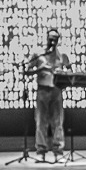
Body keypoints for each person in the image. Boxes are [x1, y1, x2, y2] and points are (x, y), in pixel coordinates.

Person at [24, 29, 74, 159]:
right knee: (41, 121)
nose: (52, 41)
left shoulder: (62, 54)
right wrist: (39, 70)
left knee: (58, 122)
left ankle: (58, 150)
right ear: (46, 38)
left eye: (55, 39)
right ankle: (41, 150)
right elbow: (26, 71)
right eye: (50, 38)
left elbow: (71, 72)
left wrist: (63, 74)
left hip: (56, 90)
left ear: (58, 40)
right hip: (42, 90)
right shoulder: (38, 53)